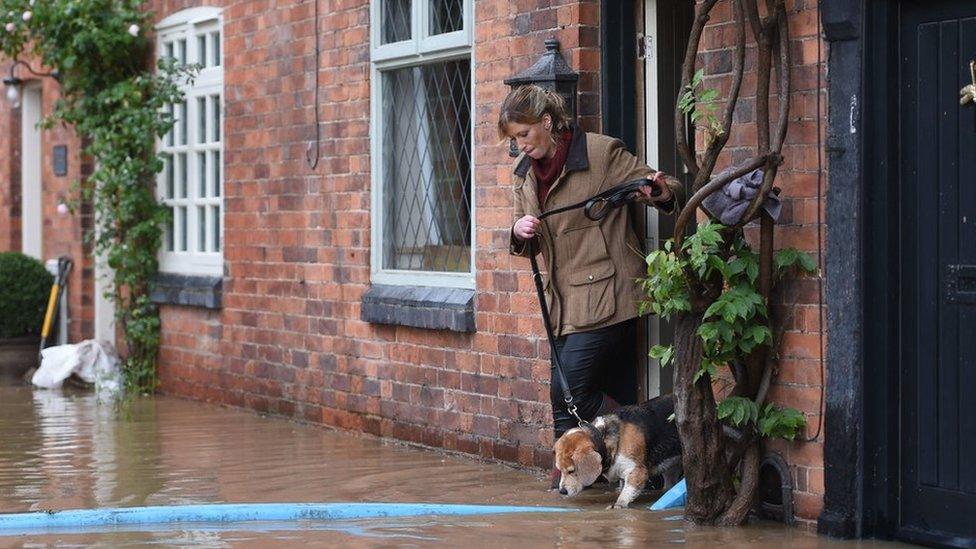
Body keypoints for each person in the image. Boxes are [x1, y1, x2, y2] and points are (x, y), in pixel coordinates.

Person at [498, 85, 684, 488]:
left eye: (524, 135)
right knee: (562, 400)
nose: (519, 146)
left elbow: (664, 189)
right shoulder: (524, 175)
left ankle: (643, 444)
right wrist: (519, 229)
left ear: (546, 123)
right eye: (513, 139)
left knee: (572, 391)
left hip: (608, 293)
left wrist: (658, 191)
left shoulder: (600, 154)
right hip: (562, 305)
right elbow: (521, 235)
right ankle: (569, 483)